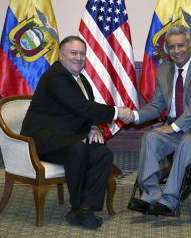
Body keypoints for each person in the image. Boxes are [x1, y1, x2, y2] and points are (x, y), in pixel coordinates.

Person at [21, 36, 130, 229]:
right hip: (42, 140)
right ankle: (77, 206)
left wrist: (94, 126)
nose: (79, 57)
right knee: (77, 150)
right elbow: (81, 106)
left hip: (65, 137)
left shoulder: (80, 79)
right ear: (61, 56)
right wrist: (118, 112)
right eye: (73, 53)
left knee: (102, 153)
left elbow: (84, 110)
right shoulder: (56, 76)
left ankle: (86, 208)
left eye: (82, 54)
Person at [124, 25, 191, 216]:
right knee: (150, 138)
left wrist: (173, 127)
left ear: (190, 45)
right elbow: (155, 106)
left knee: (187, 142)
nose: (176, 51)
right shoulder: (164, 70)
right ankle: (151, 196)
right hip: (176, 127)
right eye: (171, 47)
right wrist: (134, 115)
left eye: (181, 45)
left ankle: (170, 199)